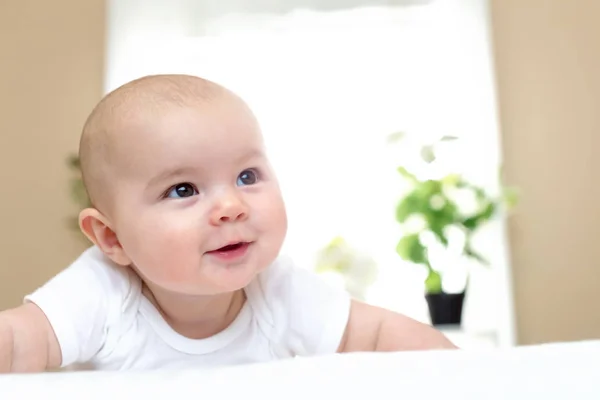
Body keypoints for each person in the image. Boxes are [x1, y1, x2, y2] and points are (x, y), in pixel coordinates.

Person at [0, 74, 456, 373]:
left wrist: (467, 374)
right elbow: (21, 341)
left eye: (247, 176)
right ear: (112, 238)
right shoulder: (101, 292)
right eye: (183, 189)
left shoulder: (278, 290)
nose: (231, 206)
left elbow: (376, 335)